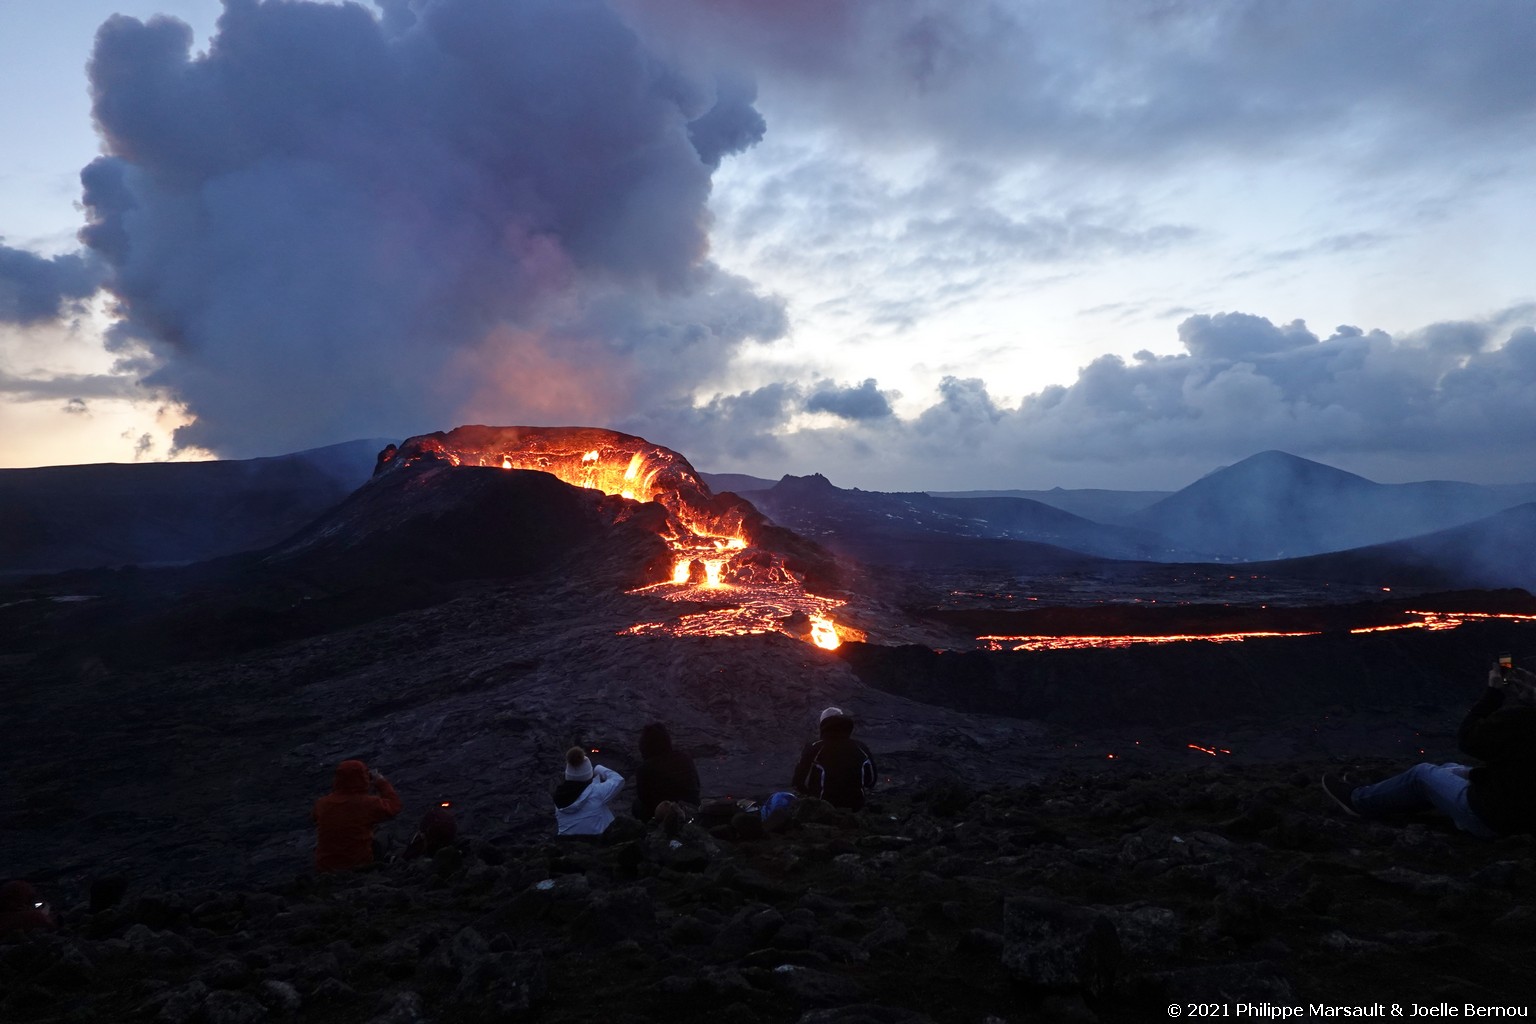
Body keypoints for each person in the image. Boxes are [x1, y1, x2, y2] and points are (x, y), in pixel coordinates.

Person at [1322, 663, 1536, 837]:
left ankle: (1358, 801)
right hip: (1523, 812)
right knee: (1450, 768)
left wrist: (1493, 694)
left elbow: (1467, 739)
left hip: (1495, 819)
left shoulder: (1521, 720)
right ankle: (1385, 795)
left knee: (1421, 773)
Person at [312, 759, 403, 872]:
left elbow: (315, 818)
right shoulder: (369, 804)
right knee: (384, 835)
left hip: (324, 867)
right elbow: (395, 806)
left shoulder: (322, 803)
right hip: (357, 864)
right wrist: (381, 782)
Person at [792, 706, 878, 811]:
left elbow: (798, 781)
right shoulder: (861, 747)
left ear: (823, 724)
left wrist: (811, 795)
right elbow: (871, 780)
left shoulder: (815, 748)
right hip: (855, 807)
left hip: (822, 808)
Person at [632, 722, 701, 823]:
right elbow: (697, 785)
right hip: (691, 806)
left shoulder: (644, 769)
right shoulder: (685, 758)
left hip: (662, 811)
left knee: (637, 805)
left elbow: (643, 797)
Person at [553, 747, 625, 836]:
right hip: (597, 841)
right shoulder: (597, 792)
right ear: (588, 774)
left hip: (567, 842)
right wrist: (598, 768)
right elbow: (618, 779)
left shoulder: (558, 798)